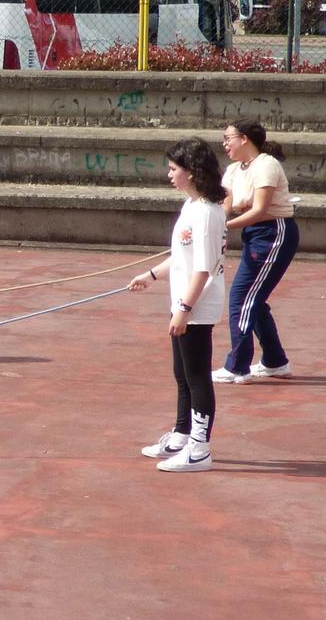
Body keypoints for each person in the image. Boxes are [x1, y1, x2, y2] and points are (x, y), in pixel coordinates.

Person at [126, 137, 228, 472]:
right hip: (183, 301)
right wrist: (151, 275)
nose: (169, 175)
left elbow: (204, 267)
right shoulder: (191, 207)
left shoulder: (209, 214)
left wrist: (185, 308)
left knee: (197, 375)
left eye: (174, 169)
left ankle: (200, 449)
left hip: (196, 305)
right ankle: (183, 433)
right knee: (181, 372)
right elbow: (181, 257)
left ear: (193, 172)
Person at [215, 120, 300, 385]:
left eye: (228, 138)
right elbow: (227, 203)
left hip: (274, 233)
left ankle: (238, 366)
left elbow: (260, 209)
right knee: (255, 298)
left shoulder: (266, 165)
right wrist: (214, 223)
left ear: (244, 138)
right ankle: (275, 361)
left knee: (242, 297)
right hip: (254, 234)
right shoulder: (232, 170)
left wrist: (223, 227)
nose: (225, 144)